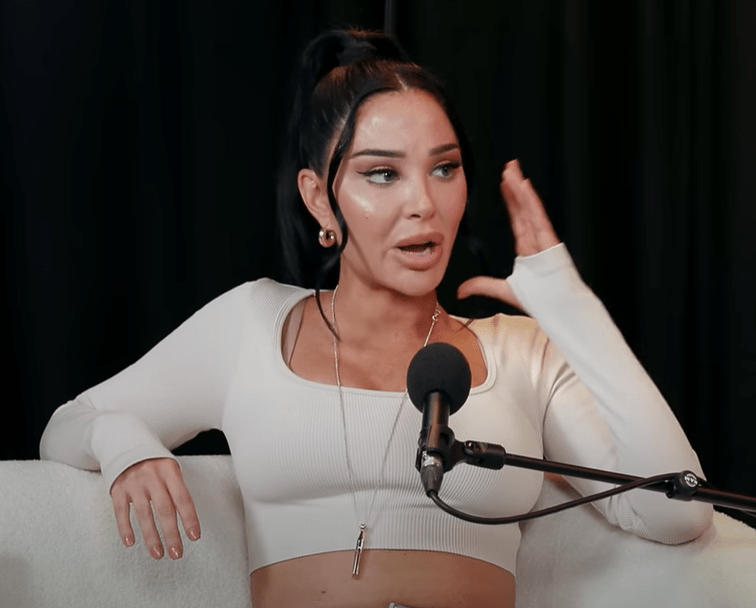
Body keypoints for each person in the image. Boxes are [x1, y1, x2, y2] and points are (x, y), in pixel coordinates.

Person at [39, 27, 713, 608]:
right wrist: (126, 445)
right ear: (321, 201)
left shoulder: (521, 352)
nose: (423, 202)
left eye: (443, 169)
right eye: (382, 174)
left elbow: (674, 511)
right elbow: (69, 425)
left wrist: (567, 303)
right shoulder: (250, 324)